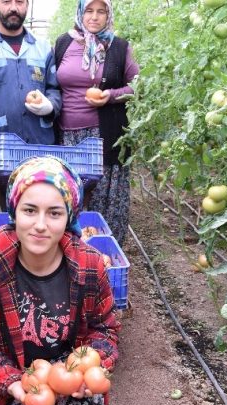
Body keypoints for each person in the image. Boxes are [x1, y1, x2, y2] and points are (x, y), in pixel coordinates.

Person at [0, 156, 121, 405]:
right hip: (10, 386)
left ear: (69, 217)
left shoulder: (90, 265)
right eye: (30, 210)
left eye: (55, 213)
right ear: (15, 211)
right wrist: (13, 384)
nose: (40, 225)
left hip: (69, 381)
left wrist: (89, 371)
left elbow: (105, 330)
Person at [0, 0, 62, 216]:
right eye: (6, 1)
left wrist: (49, 106)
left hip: (40, 143)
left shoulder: (43, 46)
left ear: (27, 6)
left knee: (40, 204)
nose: (13, 7)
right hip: (2, 145)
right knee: (5, 207)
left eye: (19, 2)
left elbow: (54, 88)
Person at [54, 0, 139, 245]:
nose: (94, 17)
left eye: (101, 11)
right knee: (69, 194)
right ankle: (68, 250)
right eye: (89, 10)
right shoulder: (64, 43)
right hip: (67, 135)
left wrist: (110, 96)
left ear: (108, 15)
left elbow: (138, 86)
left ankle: (102, 252)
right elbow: (51, 83)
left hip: (105, 135)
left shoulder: (120, 47)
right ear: (80, 13)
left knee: (103, 198)